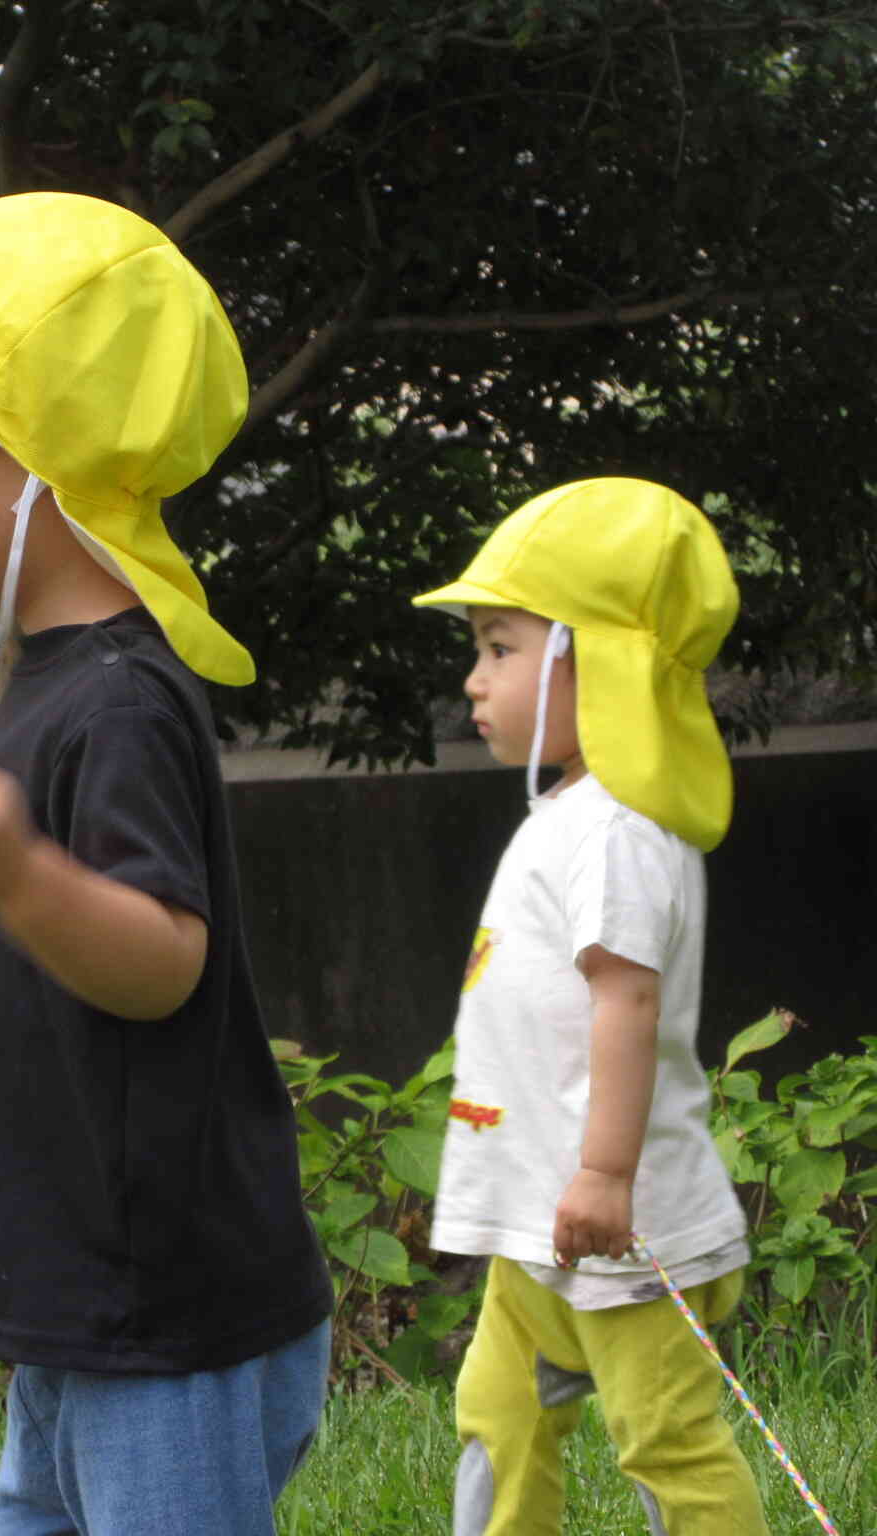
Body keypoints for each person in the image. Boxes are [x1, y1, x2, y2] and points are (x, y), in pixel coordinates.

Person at [0, 192, 333, 1536]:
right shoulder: (61, 689)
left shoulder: (123, 697)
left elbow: (164, 959)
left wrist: (12, 867)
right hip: (89, 1307)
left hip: (163, 1319)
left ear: (32, 453)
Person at [412, 477, 764, 1534]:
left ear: (592, 655)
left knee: (663, 1441)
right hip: (543, 1227)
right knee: (495, 1409)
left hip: (618, 1228)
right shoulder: (568, 812)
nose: (472, 680)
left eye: (499, 648)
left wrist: (604, 1174)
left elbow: (626, 1002)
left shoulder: (614, 830)